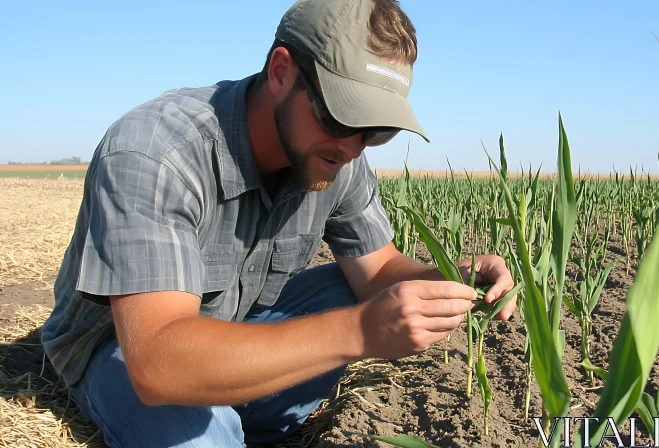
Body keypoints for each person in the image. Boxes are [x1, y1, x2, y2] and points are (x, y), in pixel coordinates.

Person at [40, 0, 517, 446]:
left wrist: (452, 278)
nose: (353, 147)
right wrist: (358, 331)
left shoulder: (337, 158)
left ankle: (243, 413)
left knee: (351, 290)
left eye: (377, 131)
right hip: (125, 346)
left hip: (236, 325)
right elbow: (157, 362)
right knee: (200, 435)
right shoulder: (155, 152)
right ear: (282, 72)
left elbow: (377, 273)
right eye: (341, 116)